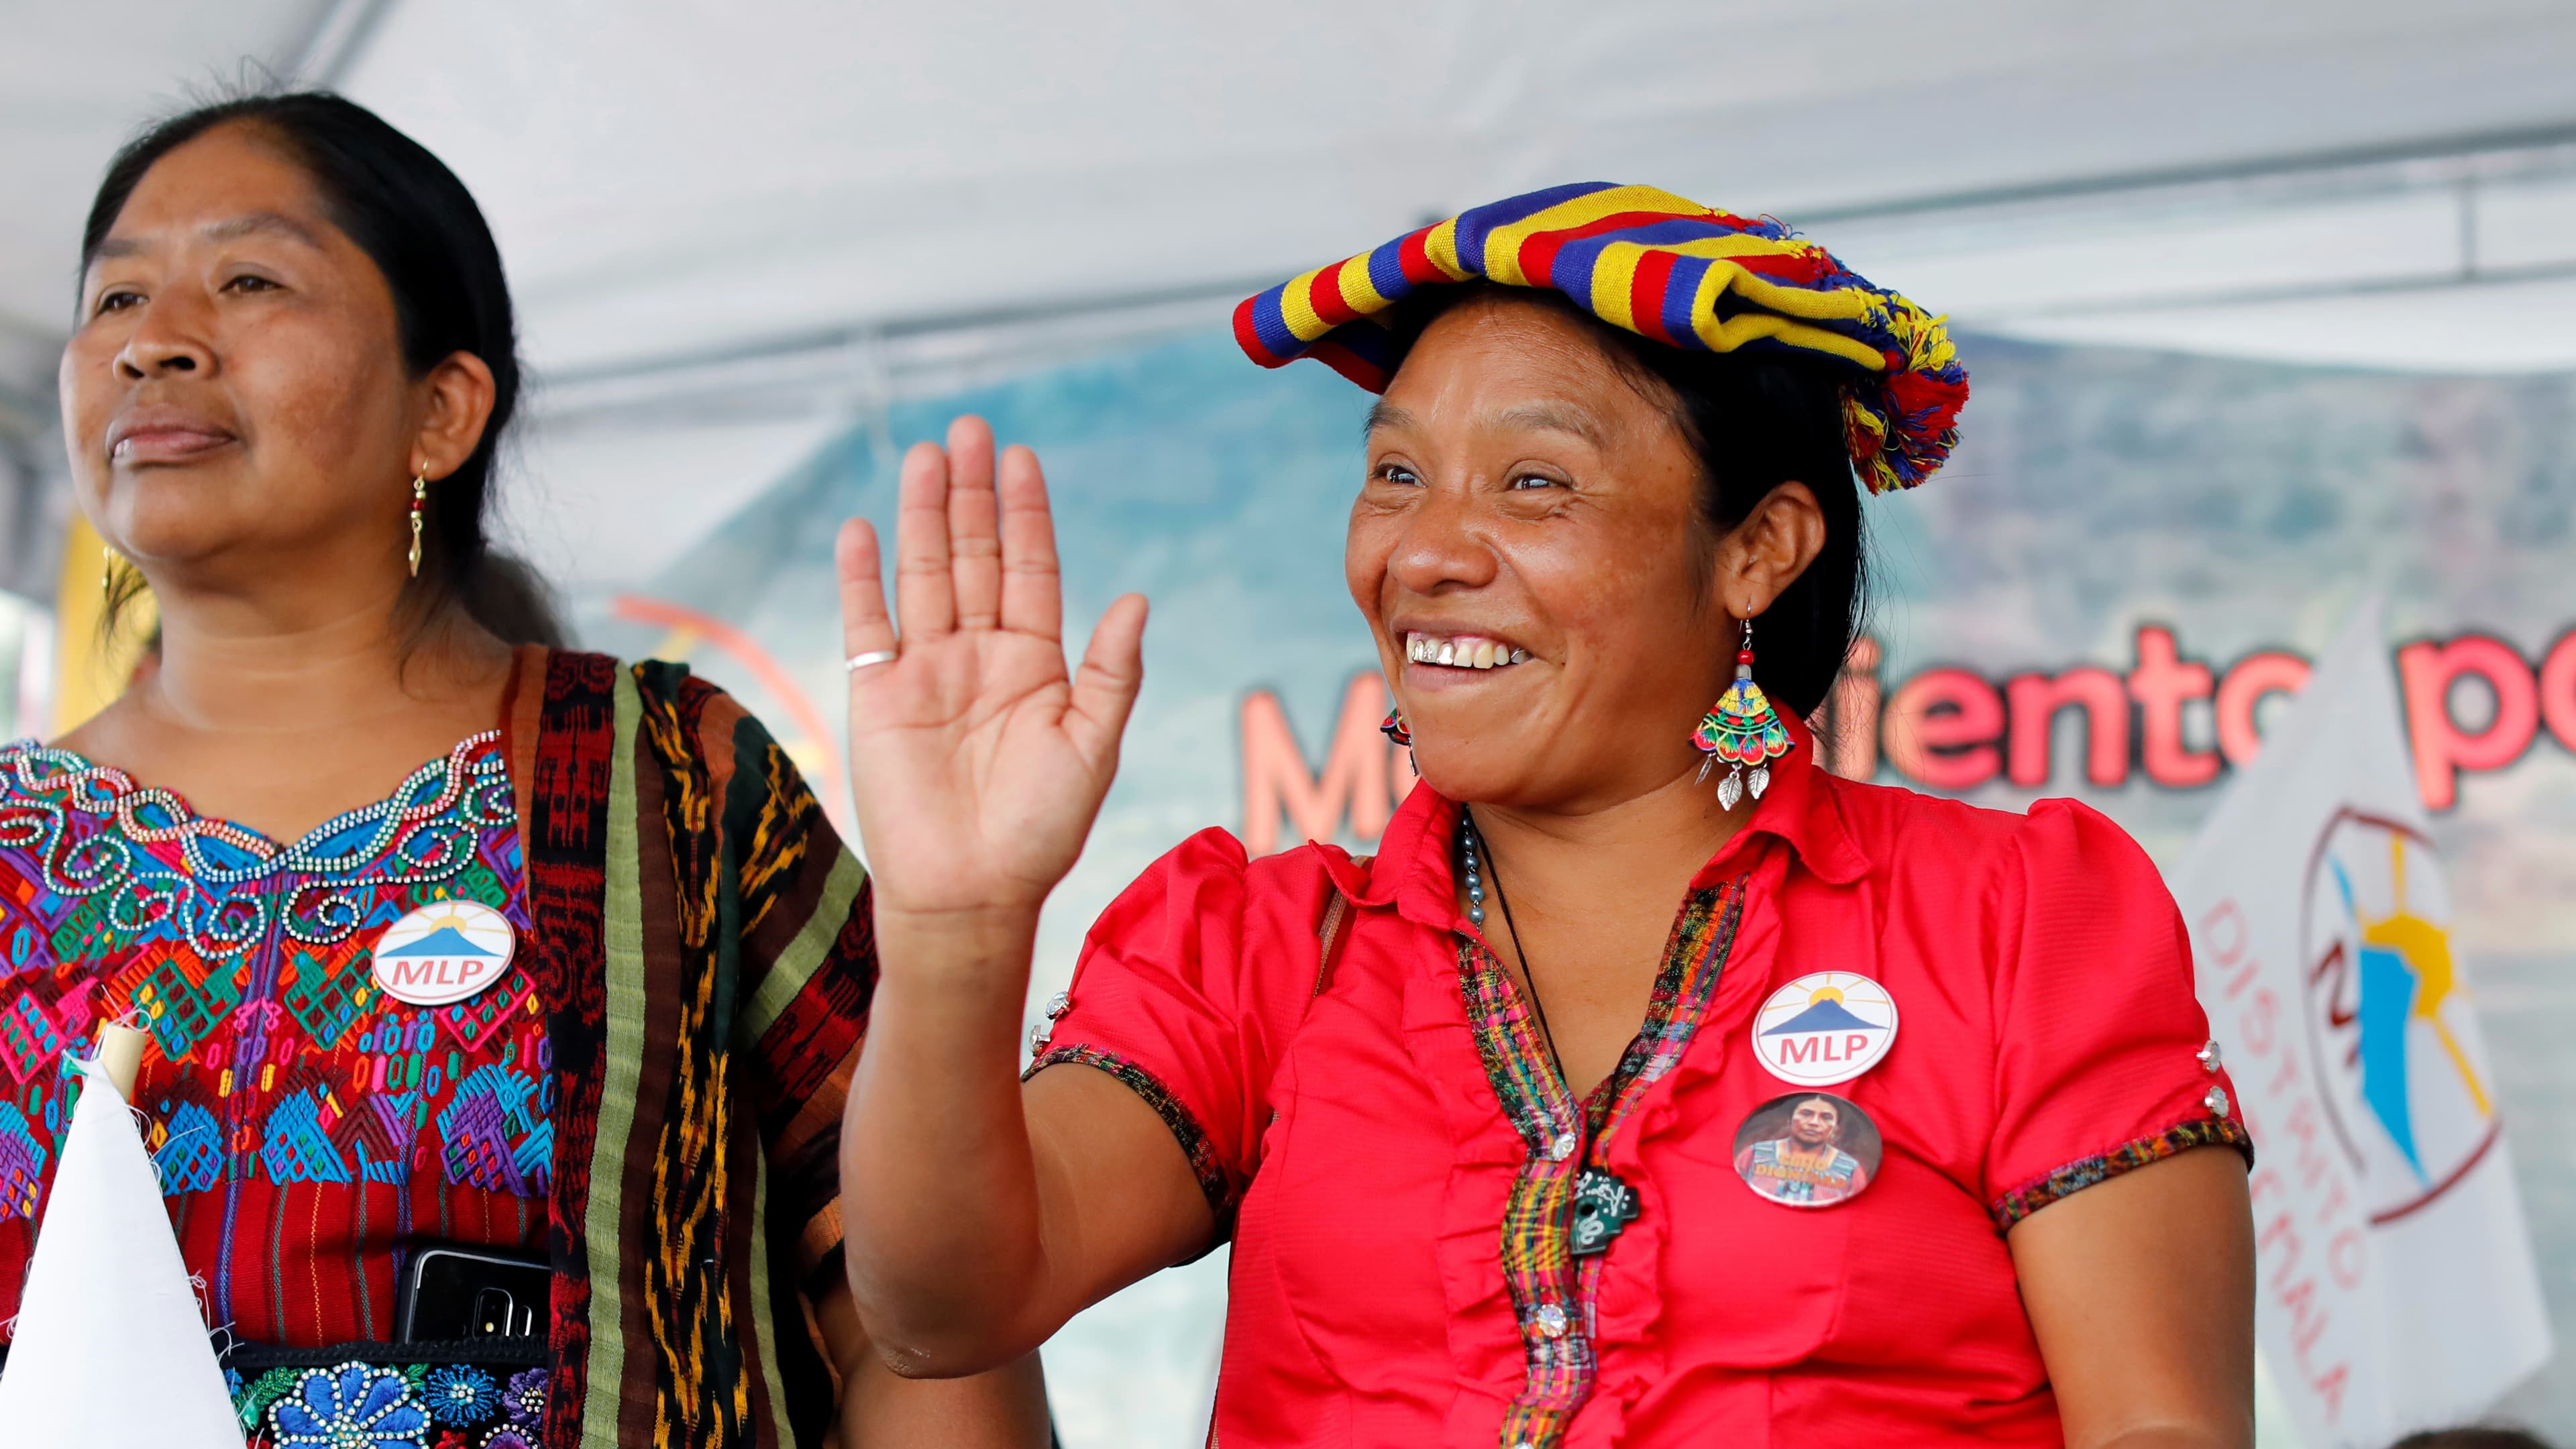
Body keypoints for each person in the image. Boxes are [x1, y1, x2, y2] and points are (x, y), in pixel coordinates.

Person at [835, 184, 2259, 1446]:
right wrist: (956, 929)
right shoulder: (1268, 952)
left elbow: (2159, 1424)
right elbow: (950, 1305)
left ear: (1758, 549)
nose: (1428, 552)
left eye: (1534, 484)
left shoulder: (2010, 918)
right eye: (1395, 473)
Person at [0, 92, 1045, 1448]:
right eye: (116, 297)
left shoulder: (673, 779)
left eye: (247, 279)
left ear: (443, 409)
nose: (155, 344)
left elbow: (921, 1311)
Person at [1734, 1095, 1871, 1207]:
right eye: (1806, 1114)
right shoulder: (1755, 1154)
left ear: (1836, 1128)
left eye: (1826, 1117)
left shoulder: (1851, 1169)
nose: (1814, 1122)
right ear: (1790, 1120)